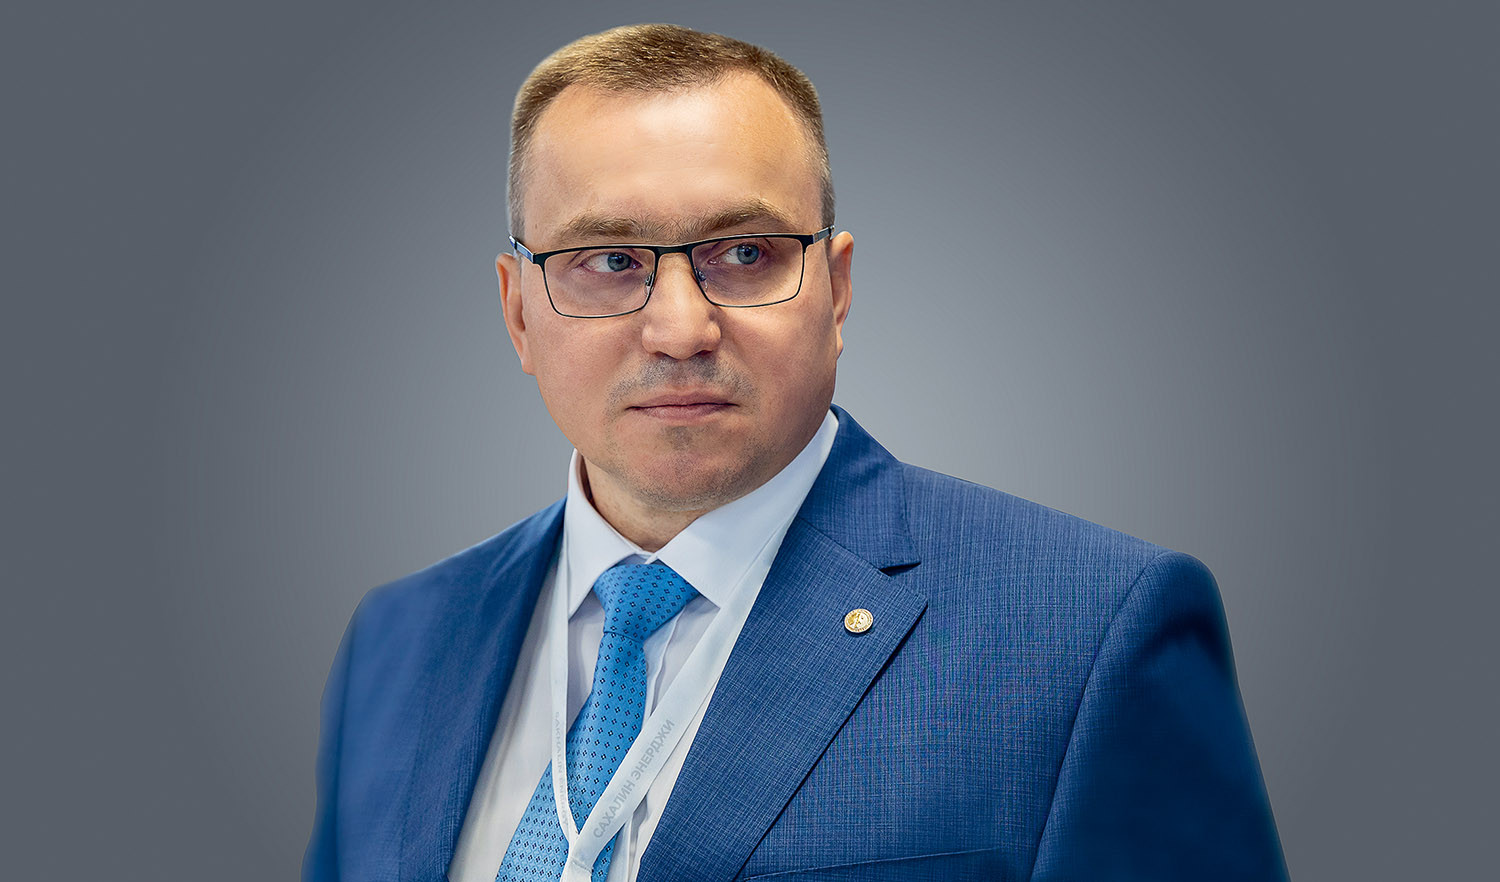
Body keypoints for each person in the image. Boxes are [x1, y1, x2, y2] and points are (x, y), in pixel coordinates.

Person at [304, 23, 1287, 882]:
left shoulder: (1088, 636)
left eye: (745, 254)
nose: (680, 329)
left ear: (837, 289)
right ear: (519, 313)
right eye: (609, 261)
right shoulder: (398, 641)